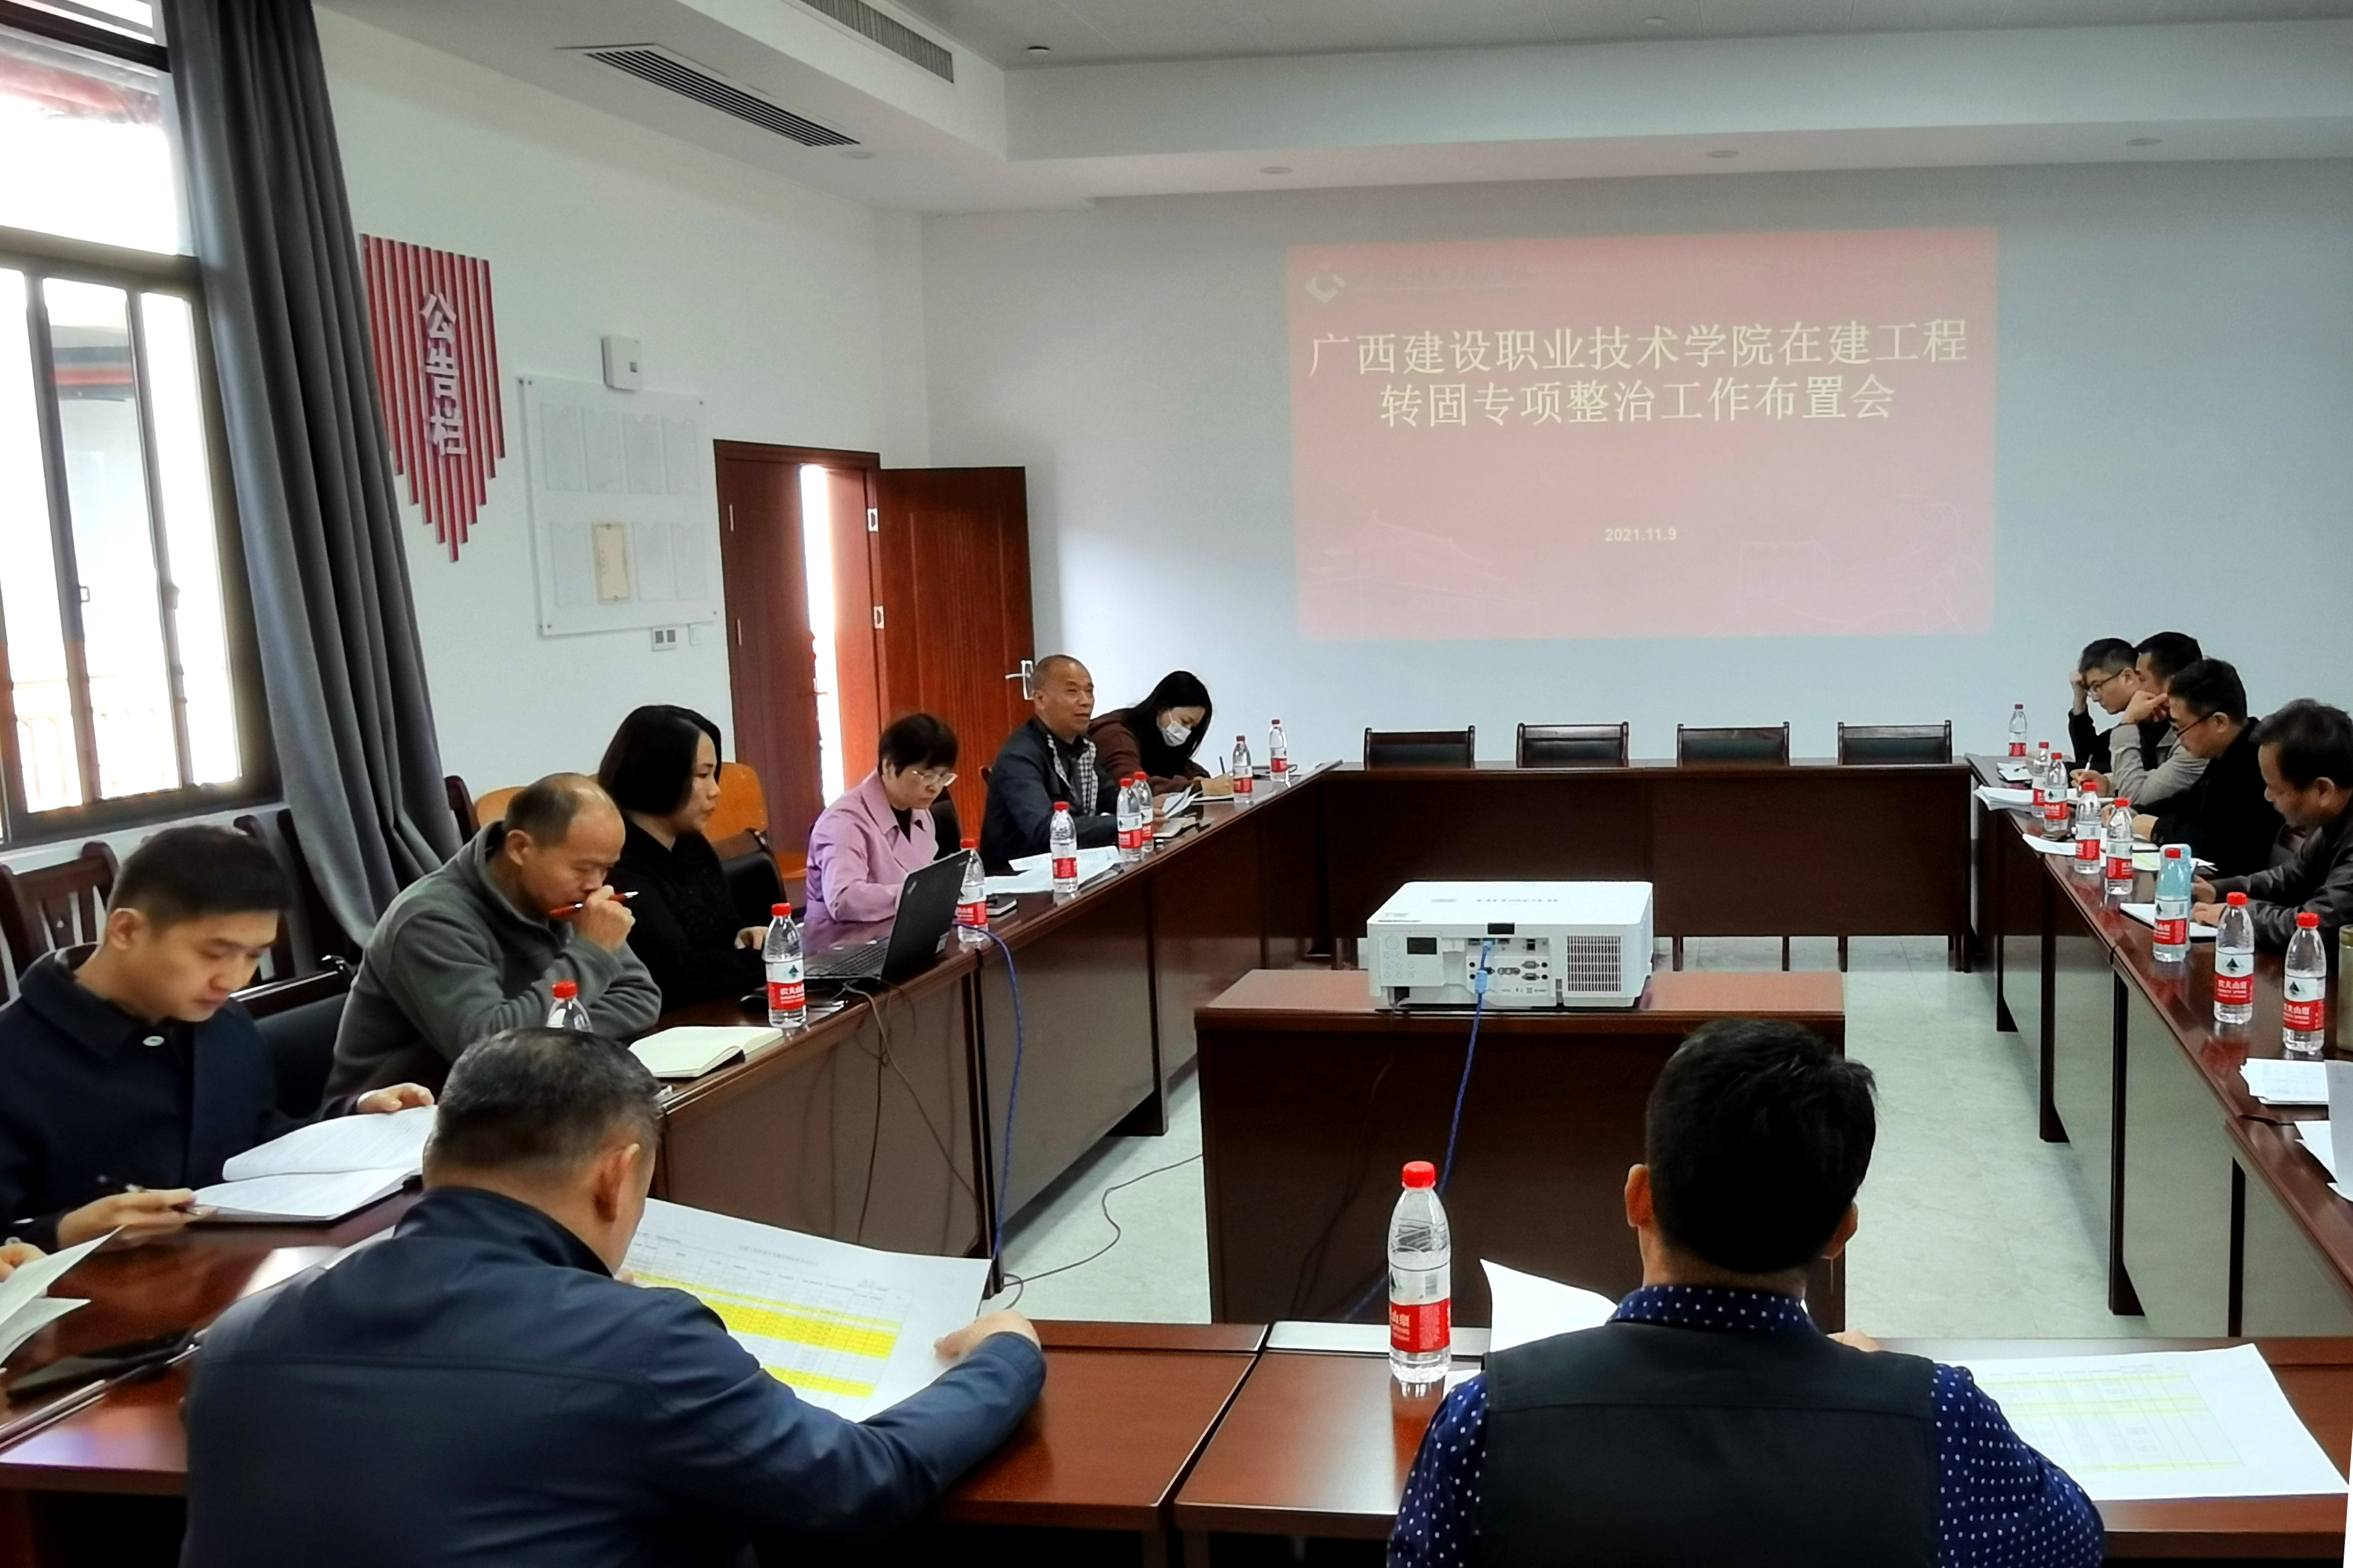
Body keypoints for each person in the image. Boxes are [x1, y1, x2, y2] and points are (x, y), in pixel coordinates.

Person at [183, 1027, 1045, 1568]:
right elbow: (860, 1482)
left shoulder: (239, 1335)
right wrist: (1005, 1353)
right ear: (617, 1174)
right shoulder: (643, 1343)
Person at [1391, 1017, 2100, 1568]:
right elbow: (2076, 1539)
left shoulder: (1487, 1417)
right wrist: (1873, 1384)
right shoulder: (1937, 1418)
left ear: (1639, 1196)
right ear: (1840, 1232)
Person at [0, 827, 429, 1253]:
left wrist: (353, 1118)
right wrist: (64, 1232)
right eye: (214, 953)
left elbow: (255, 1141)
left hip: (233, 1269)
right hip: (100, 1290)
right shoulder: (15, 1055)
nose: (234, 979)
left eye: (253, 955)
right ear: (126, 930)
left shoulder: (224, 1023)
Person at [326, 774, 662, 1104]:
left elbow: (640, 999)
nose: (596, 885)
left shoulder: (563, 898)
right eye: (583, 868)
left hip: (524, 1092)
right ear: (519, 848)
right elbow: (488, 1052)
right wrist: (590, 952)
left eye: (606, 869)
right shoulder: (430, 920)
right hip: (405, 1114)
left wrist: (545, 1035)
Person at [599, 705, 769, 1009]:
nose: (715, 791)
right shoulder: (616, 862)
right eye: (703, 775)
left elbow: (727, 928)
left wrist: (745, 936)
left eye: (713, 774)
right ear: (658, 774)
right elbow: (676, 974)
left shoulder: (692, 844)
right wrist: (765, 959)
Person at [2195, 700, 2353, 948]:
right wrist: (2220, 891)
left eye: (2275, 788)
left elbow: (2314, 927)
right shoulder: (2333, 819)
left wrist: (2238, 916)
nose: (2267, 796)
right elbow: (2291, 878)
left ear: (2322, 790)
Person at [805, 713, 957, 952]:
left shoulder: (920, 814)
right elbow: (844, 898)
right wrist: (914, 894)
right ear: (889, 766)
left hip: (900, 938)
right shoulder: (844, 821)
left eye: (943, 776)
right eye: (926, 775)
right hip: (843, 949)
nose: (935, 787)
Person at [2133, 660, 2281, 879]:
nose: (2178, 737)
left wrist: (2157, 828)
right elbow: (2188, 802)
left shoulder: (2259, 764)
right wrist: (2137, 812)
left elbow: (2223, 850)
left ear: (2219, 722)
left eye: (2180, 727)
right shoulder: (2228, 752)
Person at [978, 653, 1118, 872]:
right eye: (1072, 691)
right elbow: (1046, 829)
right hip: (1019, 877)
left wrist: (1145, 806)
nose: (1086, 701)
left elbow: (1109, 797)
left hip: (1069, 862)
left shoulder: (1082, 746)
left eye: (1089, 691)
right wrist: (1122, 822)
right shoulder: (1019, 757)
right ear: (1040, 700)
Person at [2077, 632, 2206, 806]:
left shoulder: (2196, 739)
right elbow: (2154, 779)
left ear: (2171, 686)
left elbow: (2134, 799)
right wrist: (2109, 784)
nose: (2136, 688)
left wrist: (2127, 723)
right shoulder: (2163, 725)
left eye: (2142, 679)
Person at [1088, 670, 1230, 798]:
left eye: (1192, 728)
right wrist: (1200, 787)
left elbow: (1180, 763)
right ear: (1162, 708)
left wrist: (1199, 777)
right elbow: (1136, 788)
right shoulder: (1116, 735)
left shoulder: (1157, 734)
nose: (1186, 732)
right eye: (1185, 722)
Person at [2065, 636, 2141, 778]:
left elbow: (2114, 769)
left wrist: (2058, 769)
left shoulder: (2156, 721)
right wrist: (2080, 701)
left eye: (2097, 686)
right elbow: (2091, 758)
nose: (2095, 698)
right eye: (2090, 689)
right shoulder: (2133, 722)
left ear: (2127, 677)